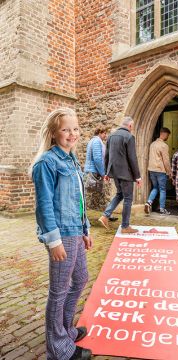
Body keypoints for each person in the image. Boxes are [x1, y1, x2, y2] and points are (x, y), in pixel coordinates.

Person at [30, 108, 92, 360]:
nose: (72, 134)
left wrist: (85, 229)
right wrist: (53, 241)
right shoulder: (47, 162)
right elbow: (43, 206)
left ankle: (65, 330)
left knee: (80, 279)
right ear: (54, 133)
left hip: (76, 230)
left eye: (75, 128)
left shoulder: (72, 159)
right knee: (59, 290)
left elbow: (78, 200)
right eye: (66, 129)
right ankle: (59, 349)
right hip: (61, 234)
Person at [98, 116, 142, 234]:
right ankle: (125, 226)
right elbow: (132, 158)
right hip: (126, 173)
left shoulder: (111, 136)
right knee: (128, 199)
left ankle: (105, 216)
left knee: (120, 194)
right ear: (130, 126)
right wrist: (137, 176)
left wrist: (107, 172)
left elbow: (106, 156)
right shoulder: (129, 137)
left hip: (114, 173)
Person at [84, 126, 117, 221]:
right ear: (100, 133)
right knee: (90, 196)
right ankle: (106, 215)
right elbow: (97, 159)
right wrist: (103, 174)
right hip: (94, 173)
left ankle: (107, 214)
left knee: (100, 195)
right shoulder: (96, 142)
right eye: (105, 133)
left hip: (94, 172)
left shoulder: (94, 141)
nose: (106, 135)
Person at [144, 127, 172, 216]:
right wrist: (169, 172)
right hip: (160, 170)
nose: (168, 137)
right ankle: (162, 209)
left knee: (155, 188)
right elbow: (166, 161)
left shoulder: (152, 144)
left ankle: (148, 202)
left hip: (151, 170)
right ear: (165, 134)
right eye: (168, 135)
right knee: (162, 190)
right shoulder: (164, 146)